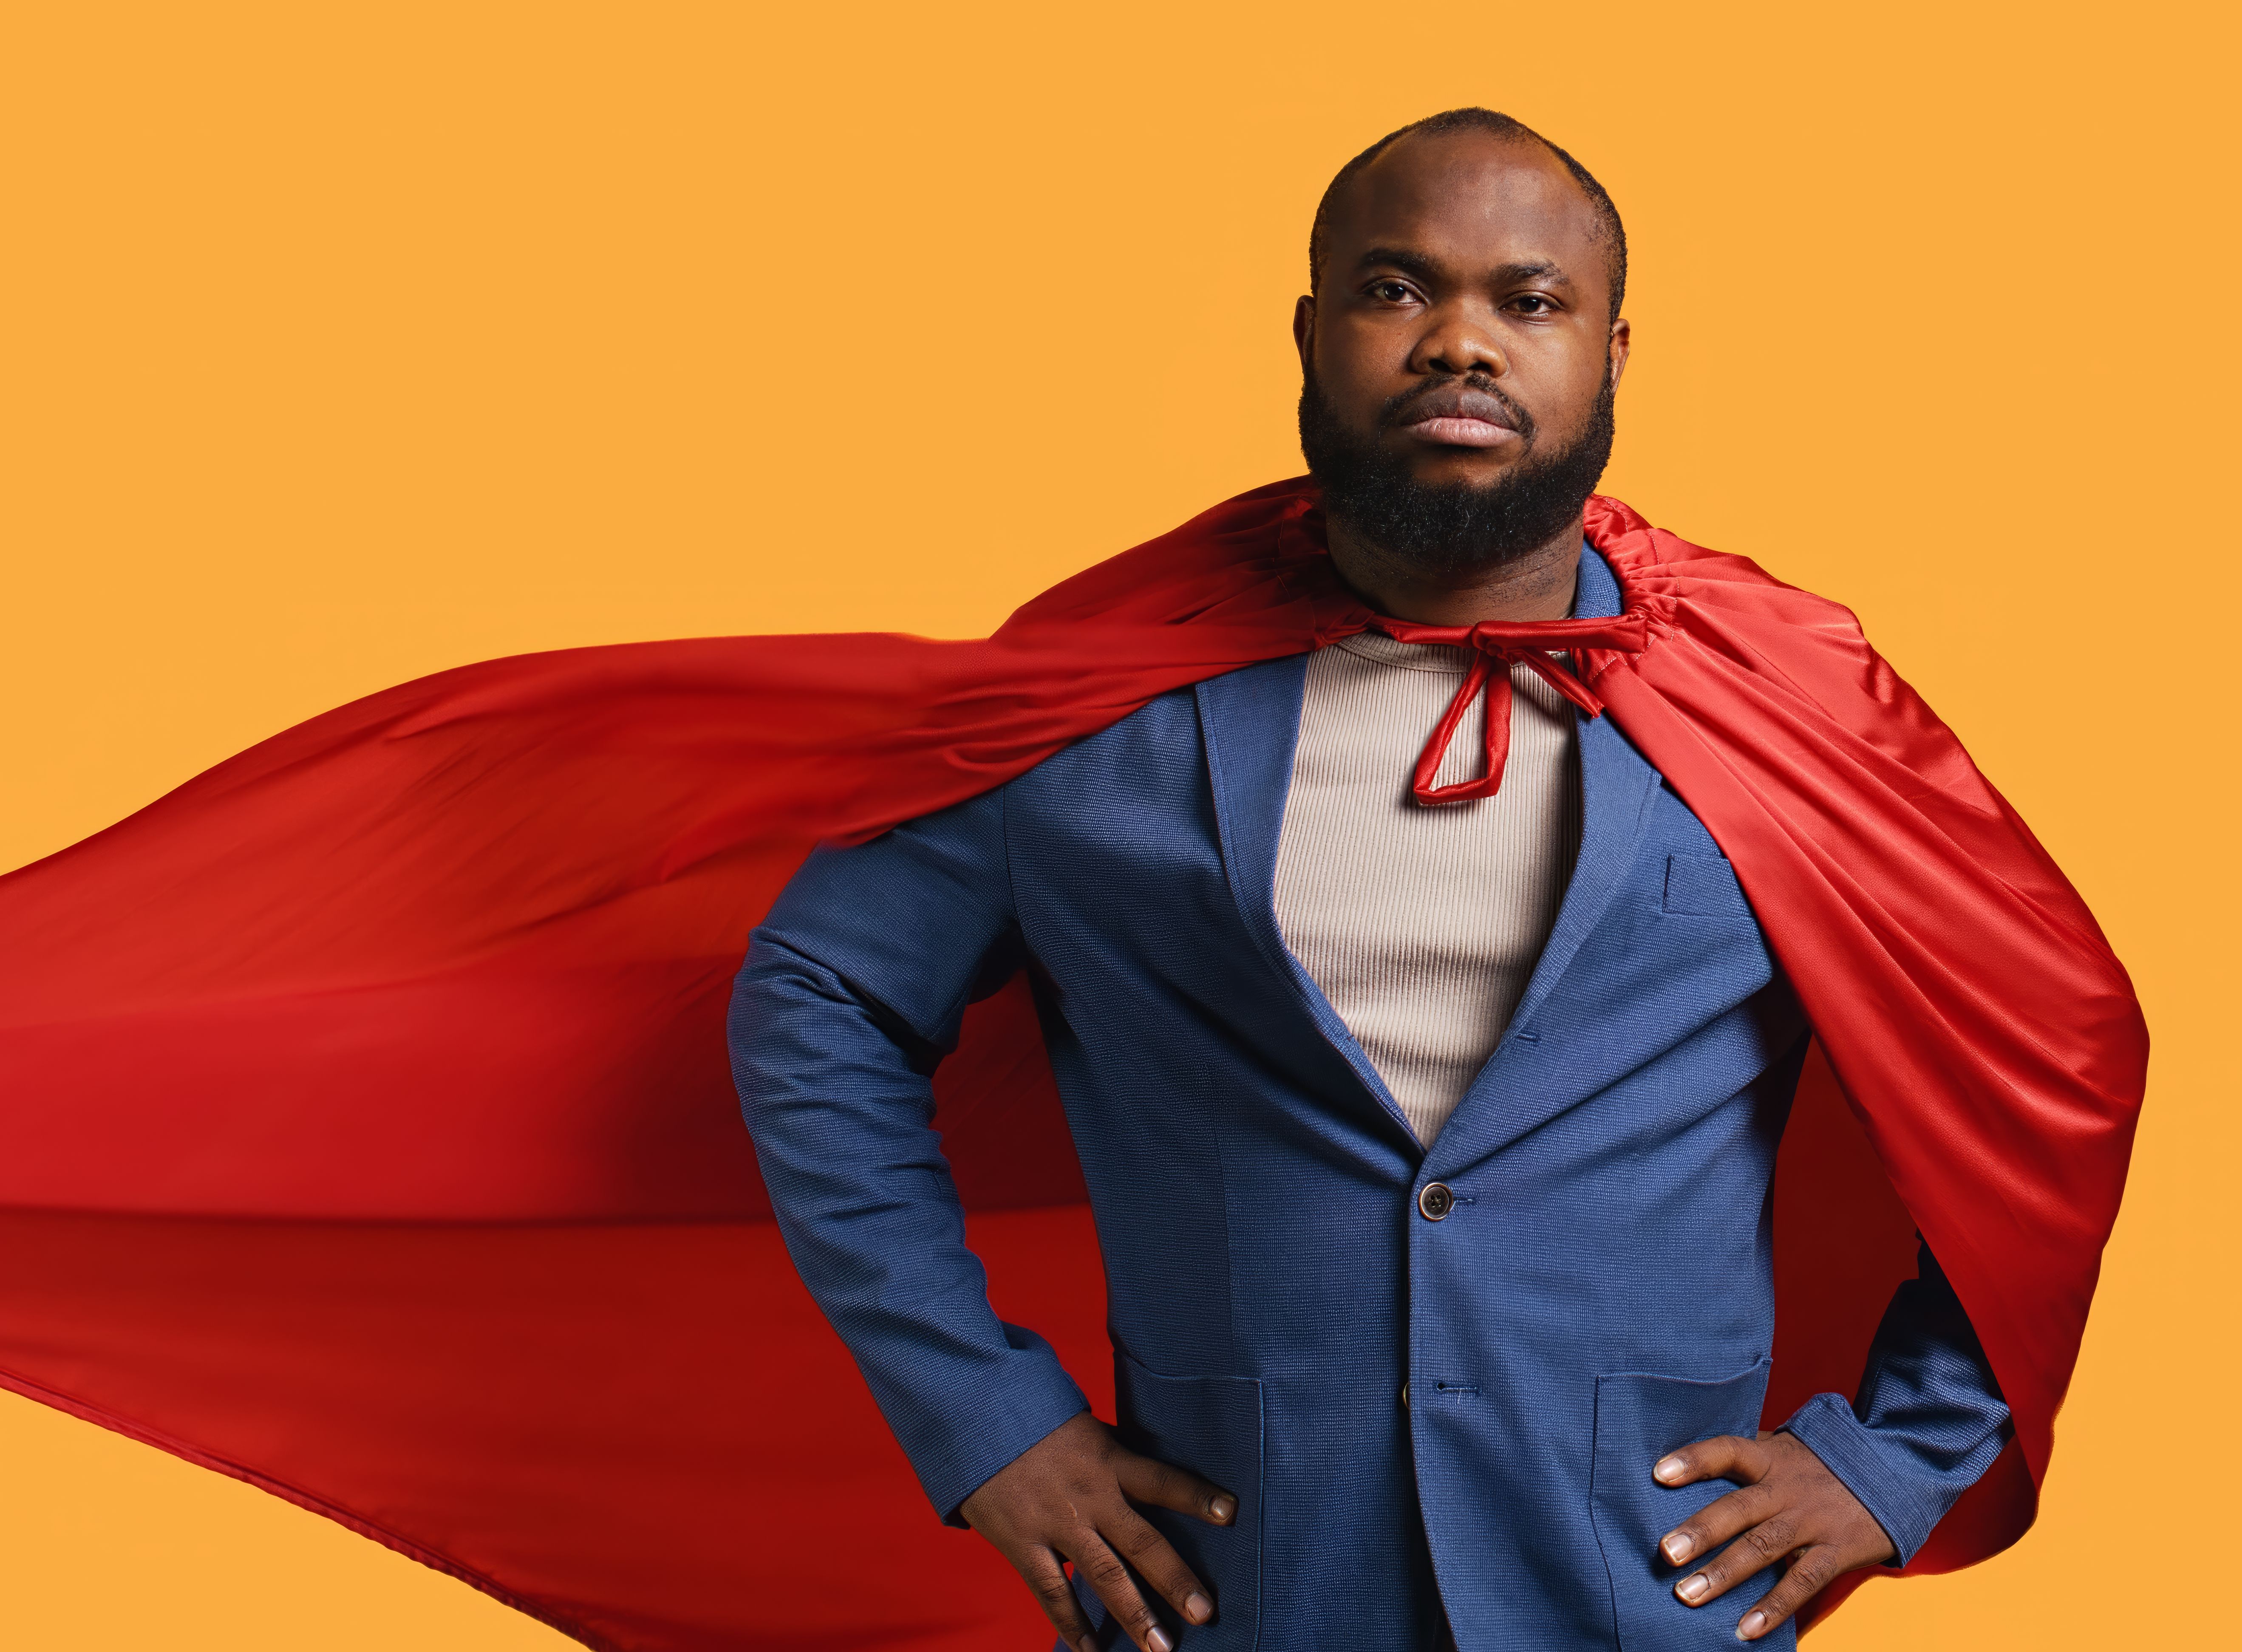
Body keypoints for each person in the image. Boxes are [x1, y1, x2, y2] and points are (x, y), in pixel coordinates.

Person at [731, 109, 2057, 1652]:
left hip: (1644, 1590)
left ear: (1613, 353)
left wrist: (1896, 1459)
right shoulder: (1097, 702)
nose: (1461, 345)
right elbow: (819, 992)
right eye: (1396, 290)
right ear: (1310, 333)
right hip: (1240, 1588)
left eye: (1530, 300)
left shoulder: (1786, 703)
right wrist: (984, 1415)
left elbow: (2045, 1052)